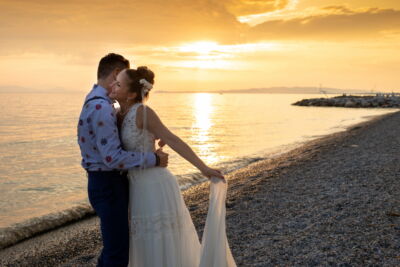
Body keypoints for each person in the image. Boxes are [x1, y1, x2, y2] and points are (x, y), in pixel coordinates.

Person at [110, 66, 236, 266]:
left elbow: (173, 139)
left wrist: (204, 169)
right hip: (136, 187)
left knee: (160, 241)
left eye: (118, 84)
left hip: (155, 186)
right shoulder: (118, 113)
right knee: (143, 242)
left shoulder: (143, 112)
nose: (113, 86)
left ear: (133, 93)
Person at [77, 53, 169, 267]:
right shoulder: (101, 107)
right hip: (107, 183)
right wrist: (153, 158)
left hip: (102, 183)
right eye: (120, 79)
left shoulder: (94, 100)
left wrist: (142, 131)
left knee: (114, 247)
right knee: (117, 254)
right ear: (117, 73)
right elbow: (112, 158)